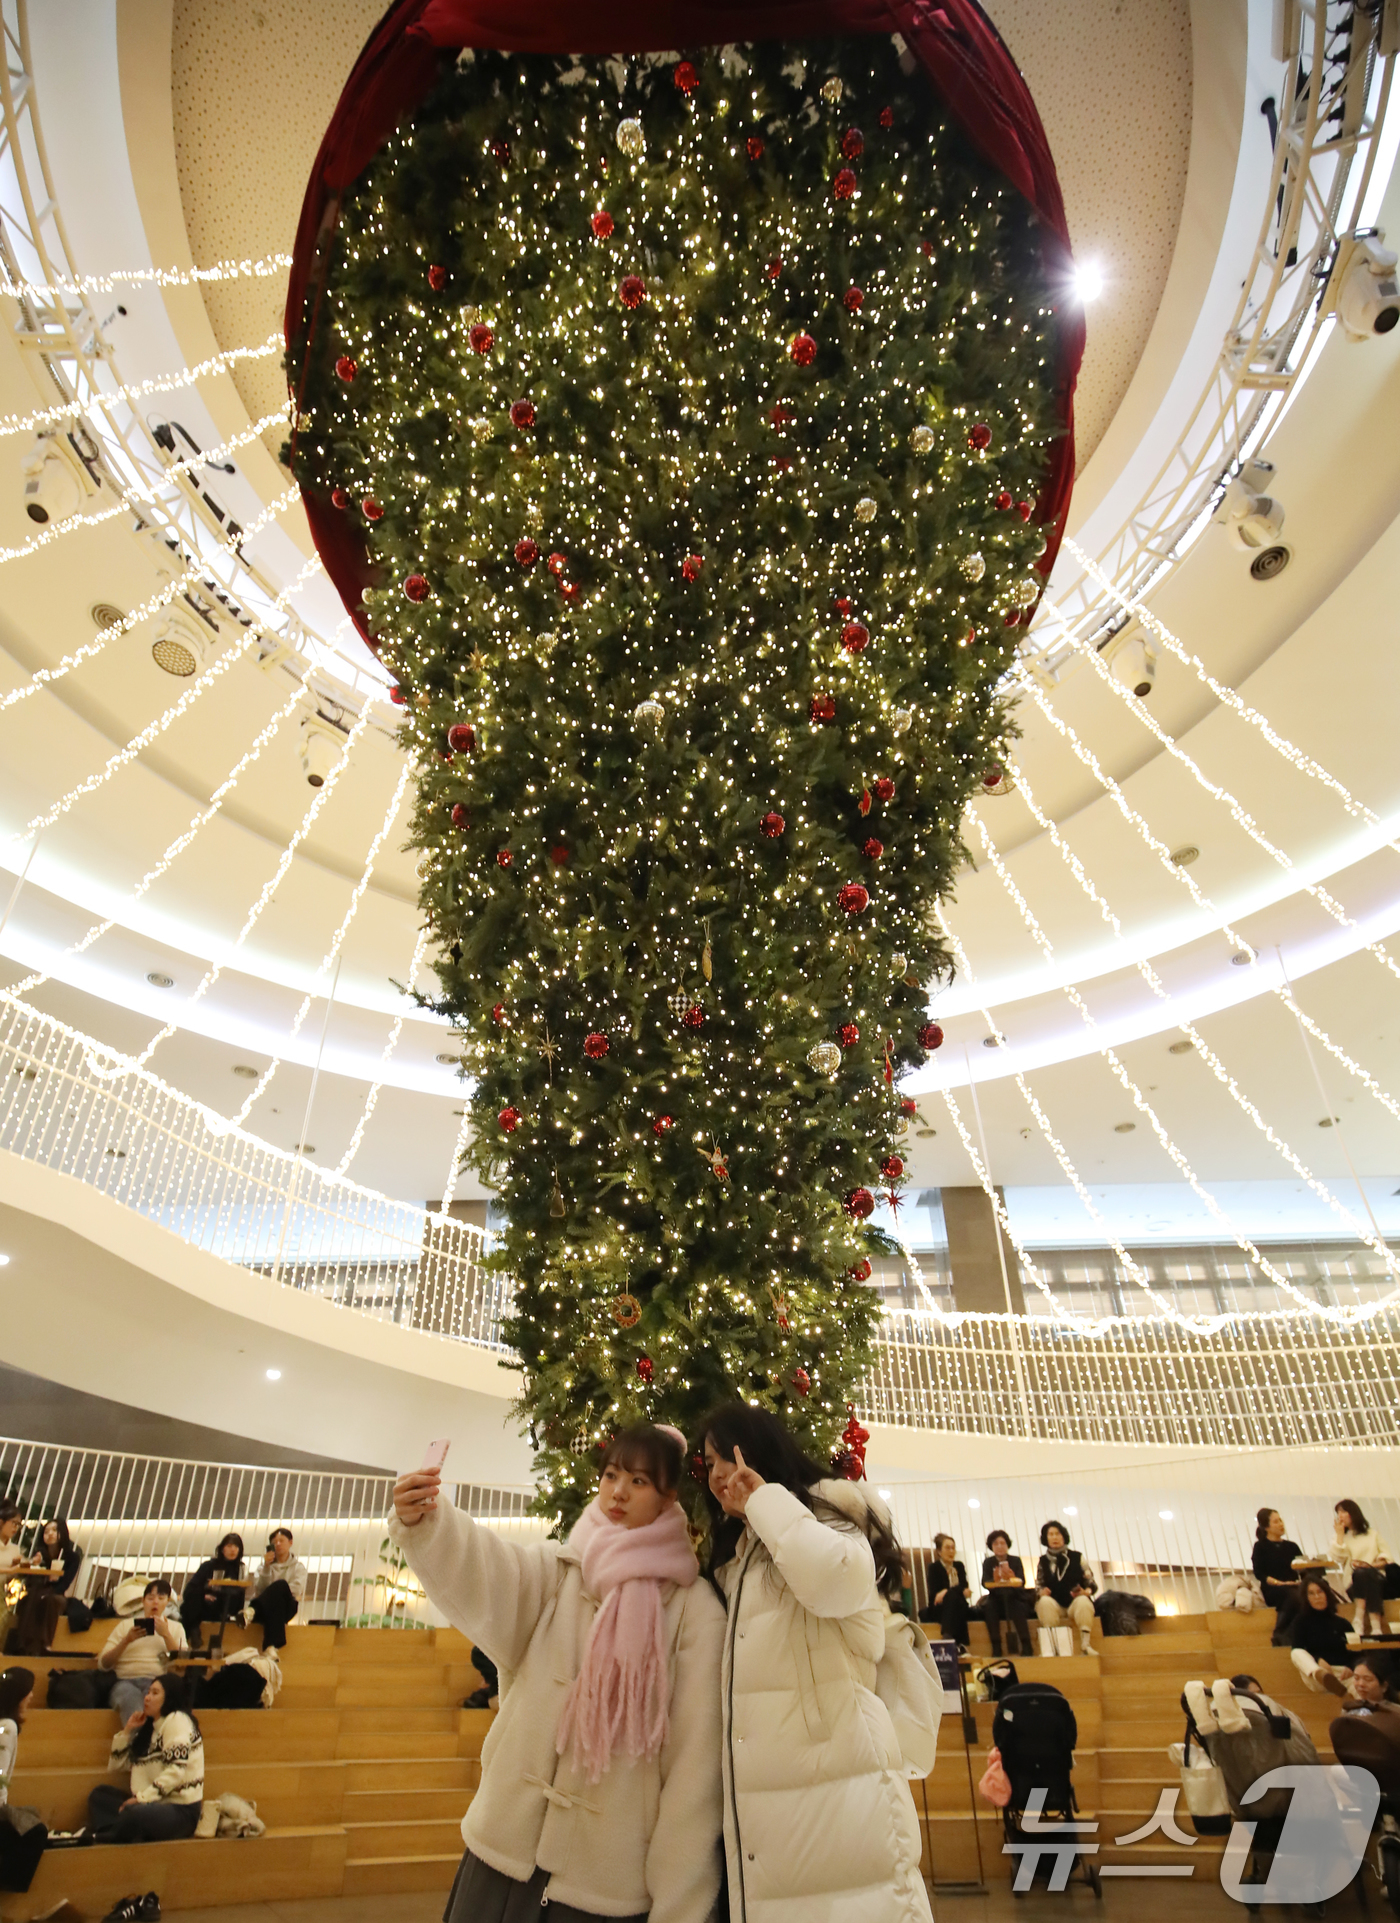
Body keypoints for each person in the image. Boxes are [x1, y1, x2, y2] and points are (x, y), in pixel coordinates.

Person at [390, 1422, 724, 1923]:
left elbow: (693, 1775)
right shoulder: (562, 1569)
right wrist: (428, 1521)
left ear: (668, 1496)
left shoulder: (693, 1611)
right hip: (500, 1856)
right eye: (611, 1475)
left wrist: (679, 1906)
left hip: (599, 1888)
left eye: (638, 1481)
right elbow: (488, 1571)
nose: (618, 1491)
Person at [702, 1400, 933, 1923]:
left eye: (725, 1457)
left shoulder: (830, 1517)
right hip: (779, 1798)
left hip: (840, 1783)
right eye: (708, 1463)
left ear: (759, 1452)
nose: (716, 1474)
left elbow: (835, 1582)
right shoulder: (739, 1558)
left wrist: (765, 1500)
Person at [87, 1672, 203, 1844]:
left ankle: (115, 1833)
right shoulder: (150, 1728)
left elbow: (175, 1770)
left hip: (180, 1810)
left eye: (155, 1693)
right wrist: (127, 1731)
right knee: (100, 1795)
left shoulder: (177, 1720)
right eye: (148, 1692)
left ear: (169, 1697)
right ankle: (121, 1831)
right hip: (151, 1803)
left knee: (135, 1814)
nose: (147, 1697)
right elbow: (118, 1766)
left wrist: (141, 1799)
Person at [98, 1579, 189, 1723]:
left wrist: (166, 1635)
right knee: (130, 1699)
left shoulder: (175, 1628)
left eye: (161, 1598)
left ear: (167, 1602)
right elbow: (103, 1664)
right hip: (124, 1681)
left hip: (157, 1682)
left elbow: (182, 1665)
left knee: (156, 1701)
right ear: (143, 1601)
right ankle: (140, 1735)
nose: (155, 1603)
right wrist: (126, 1641)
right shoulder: (125, 1625)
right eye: (150, 1598)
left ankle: (137, 1735)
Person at [0, 1666, 47, 1892]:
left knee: (32, 1815)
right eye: (29, 1691)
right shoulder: (7, 1727)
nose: (31, 1696)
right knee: (35, 1832)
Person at [8, 1519, 81, 1655]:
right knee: (30, 1598)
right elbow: (28, 1578)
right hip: (37, 1591)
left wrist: (50, 1586)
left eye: (54, 1530)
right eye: (46, 1531)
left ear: (62, 1533)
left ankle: (44, 1644)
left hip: (56, 1593)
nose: (50, 1534)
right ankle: (23, 1643)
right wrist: (34, 1563)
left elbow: (64, 1584)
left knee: (49, 1601)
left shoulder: (72, 1557)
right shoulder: (39, 1555)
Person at [1034, 1519, 1098, 1655]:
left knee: (1083, 1602)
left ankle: (1085, 1645)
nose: (1054, 1537)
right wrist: (1041, 1592)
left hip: (1075, 1602)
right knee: (1044, 1602)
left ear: (1064, 1537)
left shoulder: (1077, 1557)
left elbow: (1091, 1582)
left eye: (1057, 1534)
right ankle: (1052, 1647)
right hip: (1054, 1604)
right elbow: (1038, 1585)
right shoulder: (1043, 1561)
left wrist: (1086, 1591)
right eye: (1050, 1534)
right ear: (1046, 1538)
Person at [1334, 1498, 1391, 1639]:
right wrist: (1339, 1535)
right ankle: (1376, 1627)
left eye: (1343, 1511)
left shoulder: (1372, 1534)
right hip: (1353, 1583)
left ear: (1353, 1513)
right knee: (1361, 1574)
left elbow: (1387, 1557)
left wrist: (1369, 1565)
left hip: (1377, 1579)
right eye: (1338, 1513)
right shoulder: (1342, 1538)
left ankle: (1358, 1619)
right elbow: (1338, 1558)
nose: (1340, 1516)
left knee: (1366, 1573)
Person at [1289, 1575, 1354, 1696]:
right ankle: (1321, 1675)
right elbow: (1298, 1649)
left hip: (1342, 1673)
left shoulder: (1343, 1623)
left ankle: (1345, 1695)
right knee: (1296, 1652)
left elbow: (1357, 1652)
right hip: (1315, 1674)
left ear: (1327, 1594)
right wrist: (1318, 1660)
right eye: (1311, 1593)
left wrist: (1351, 1667)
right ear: (1306, 1598)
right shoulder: (1300, 1622)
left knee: (1360, 1683)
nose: (1317, 1597)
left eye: (1320, 1592)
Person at [182, 1534, 245, 1651]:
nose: (233, 1550)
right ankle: (194, 1629)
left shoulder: (240, 1569)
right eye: (229, 1546)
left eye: (236, 1547)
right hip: (205, 1606)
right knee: (192, 1598)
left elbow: (240, 1595)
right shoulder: (209, 1566)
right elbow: (189, 1591)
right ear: (222, 1549)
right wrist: (203, 1595)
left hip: (227, 1607)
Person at [1250, 1507, 1304, 1641]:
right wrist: (1281, 1583)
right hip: (1273, 1588)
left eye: (1280, 1520)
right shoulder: (1260, 1546)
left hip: (1294, 1585)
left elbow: (1302, 1567)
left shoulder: (1292, 1546)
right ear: (1266, 1527)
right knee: (1292, 1596)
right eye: (1276, 1522)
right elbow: (1259, 1573)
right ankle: (1280, 1632)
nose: (1281, 1524)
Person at [248, 1528, 306, 1650]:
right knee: (276, 1607)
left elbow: (296, 1589)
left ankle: (251, 1611)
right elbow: (260, 1589)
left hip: (287, 1607)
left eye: (281, 1540)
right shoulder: (262, 1567)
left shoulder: (298, 1567)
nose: (278, 1544)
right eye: (274, 1542)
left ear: (290, 1542)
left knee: (281, 1585)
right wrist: (267, 1567)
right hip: (265, 1609)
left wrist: (278, 1590)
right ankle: (271, 1648)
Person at [980, 1529, 1032, 1657]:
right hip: (996, 1597)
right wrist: (995, 1580)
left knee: (1017, 1606)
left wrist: (1011, 1577)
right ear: (991, 1546)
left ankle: (1026, 1645)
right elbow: (985, 1582)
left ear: (1007, 1545)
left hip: (1014, 1596)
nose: (999, 1546)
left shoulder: (1015, 1560)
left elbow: (1021, 1581)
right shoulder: (988, 1562)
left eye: (1002, 1543)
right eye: (996, 1543)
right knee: (989, 1607)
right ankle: (996, 1646)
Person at [918, 1533, 972, 1650]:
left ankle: (948, 1636)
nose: (951, 1551)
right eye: (947, 1548)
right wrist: (956, 1591)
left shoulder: (959, 1566)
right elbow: (935, 1593)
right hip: (939, 1607)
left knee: (954, 1599)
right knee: (953, 1598)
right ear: (939, 1551)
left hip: (958, 1605)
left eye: (953, 1548)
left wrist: (946, 1591)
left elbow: (964, 1586)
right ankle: (961, 1644)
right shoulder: (934, 1567)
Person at [0, 1506, 23, 1656]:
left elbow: (11, 1577)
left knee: (4, 1616)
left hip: (1, 1589)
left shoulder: (14, 1549)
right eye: (13, 1523)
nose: (15, 1528)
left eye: (18, 1524)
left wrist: (17, 1568)